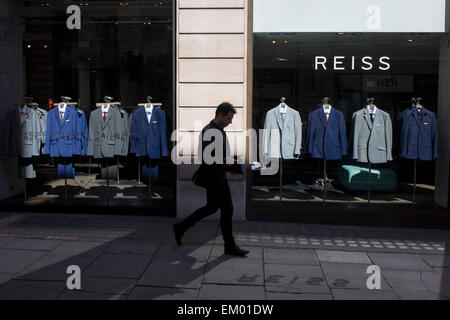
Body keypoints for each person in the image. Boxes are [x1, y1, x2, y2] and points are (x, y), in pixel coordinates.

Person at [173, 102, 249, 256]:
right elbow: (210, 158)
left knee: (211, 207)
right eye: (228, 118)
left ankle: (181, 227)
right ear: (220, 114)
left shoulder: (217, 130)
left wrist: (231, 164)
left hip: (217, 175)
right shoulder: (210, 132)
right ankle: (230, 246)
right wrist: (230, 165)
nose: (230, 122)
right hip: (215, 178)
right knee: (227, 210)